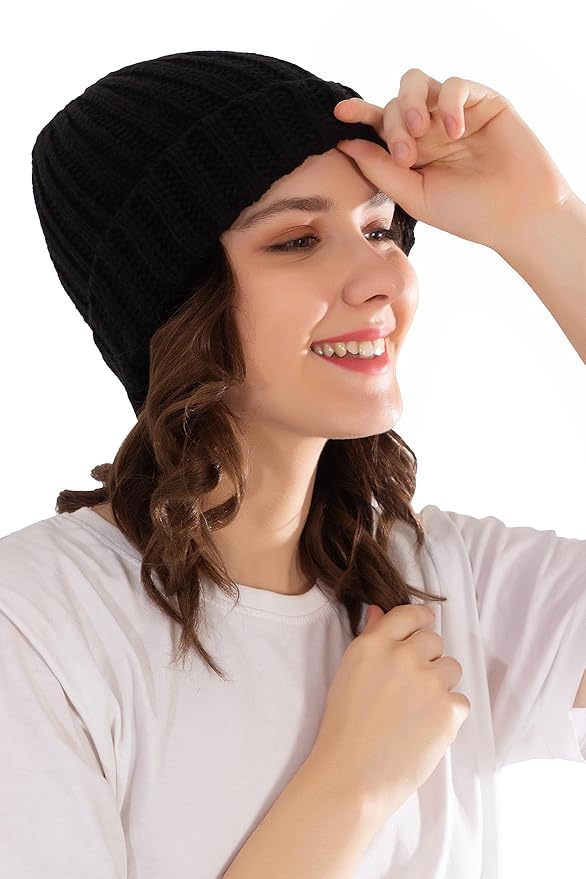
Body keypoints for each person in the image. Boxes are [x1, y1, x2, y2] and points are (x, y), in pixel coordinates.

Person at [1, 50, 584, 879]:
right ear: (178, 309)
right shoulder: (35, 625)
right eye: (299, 239)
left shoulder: (440, 583)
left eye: (380, 229)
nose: (382, 277)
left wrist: (546, 221)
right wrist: (351, 787)